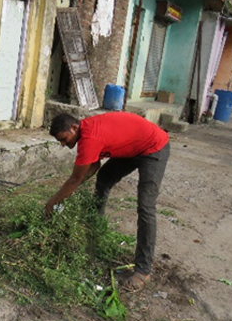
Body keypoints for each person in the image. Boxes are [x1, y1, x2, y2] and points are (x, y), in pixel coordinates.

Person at [44, 112, 170, 293]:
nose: (64, 145)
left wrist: (52, 203)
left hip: (154, 147)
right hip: (132, 148)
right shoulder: (86, 131)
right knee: (104, 178)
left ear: (74, 127)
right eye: (60, 142)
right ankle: (96, 230)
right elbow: (93, 167)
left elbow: (75, 179)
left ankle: (143, 270)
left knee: (145, 207)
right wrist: (70, 191)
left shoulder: (90, 138)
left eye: (63, 139)